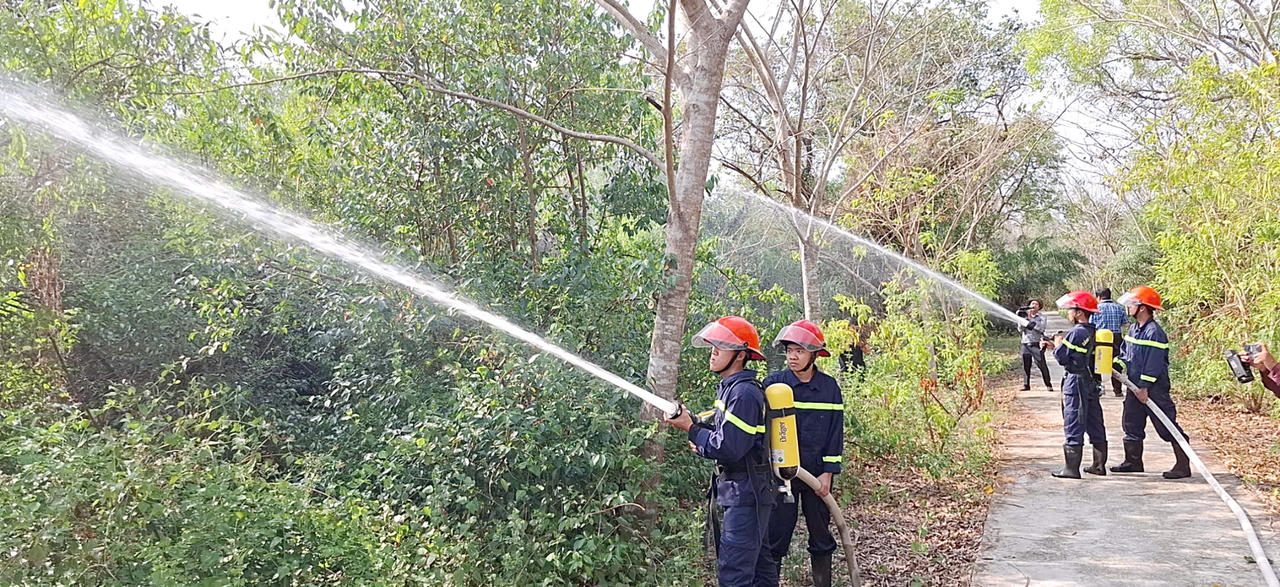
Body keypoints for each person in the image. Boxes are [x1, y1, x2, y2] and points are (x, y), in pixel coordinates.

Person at [665, 316, 774, 586]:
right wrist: (697, 428)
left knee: (735, 575)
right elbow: (725, 433)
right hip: (745, 493)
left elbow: (730, 447)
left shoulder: (743, 394)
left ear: (740, 355)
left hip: (746, 496)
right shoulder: (731, 389)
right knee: (760, 572)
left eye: (721, 346)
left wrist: (691, 429)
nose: (713, 352)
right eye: (713, 345)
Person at [756, 320, 844, 587]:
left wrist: (828, 473)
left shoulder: (829, 388)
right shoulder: (774, 385)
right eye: (789, 351)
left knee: (821, 536)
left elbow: (835, 433)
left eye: (799, 351)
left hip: (817, 475)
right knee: (776, 535)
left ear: (814, 354)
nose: (792, 357)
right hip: (782, 474)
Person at [1109, 286, 1191, 479]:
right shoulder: (1134, 329)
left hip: (1154, 389)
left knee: (1165, 426)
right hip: (1134, 386)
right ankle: (1133, 462)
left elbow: (1154, 363)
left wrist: (1144, 387)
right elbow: (1126, 354)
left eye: (1132, 304)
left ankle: (1183, 465)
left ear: (1143, 308)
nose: (1129, 308)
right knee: (1131, 423)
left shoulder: (1154, 332)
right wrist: (1117, 365)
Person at [1047, 291, 1107, 478]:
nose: (1069, 313)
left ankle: (1071, 469)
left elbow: (1062, 358)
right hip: (1090, 381)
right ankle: (1099, 465)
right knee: (1094, 421)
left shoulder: (1076, 332)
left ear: (1080, 312)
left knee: (1074, 420)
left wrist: (1058, 344)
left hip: (1076, 382)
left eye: (1071, 309)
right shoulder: (1092, 331)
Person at [1091, 288, 1127, 397]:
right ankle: (1118, 390)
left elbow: (1091, 324)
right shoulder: (1119, 308)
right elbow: (1125, 324)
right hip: (1116, 338)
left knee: (1098, 362)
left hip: (1101, 338)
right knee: (1116, 363)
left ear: (1098, 297)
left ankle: (1099, 388)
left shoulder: (1096, 309)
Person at [1018, 300, 1053, 392]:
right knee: (1026, 365)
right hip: (1025, 343)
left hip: (1036, 343)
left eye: (1036, 304)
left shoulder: (1042, 317)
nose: (1034, 305)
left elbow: (1041, 328)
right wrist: (1024, 319)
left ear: (1039, 307)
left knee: (1042, 364)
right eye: (1032, 303)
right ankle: (1026, 385)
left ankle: (1048, 384)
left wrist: (1030, 320)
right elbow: (1020, 329)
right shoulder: (1024, 316)